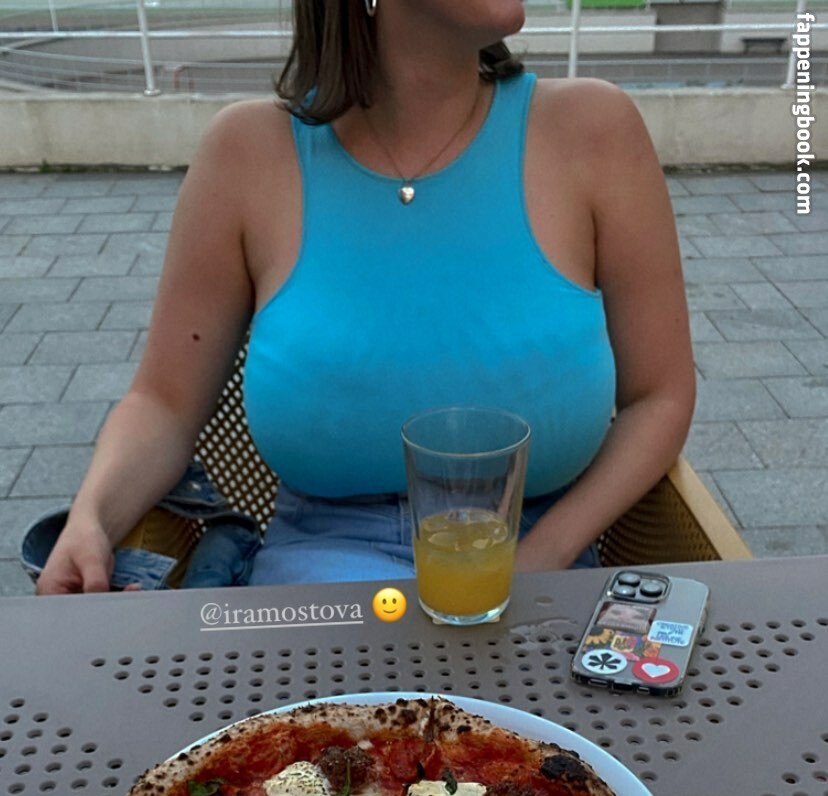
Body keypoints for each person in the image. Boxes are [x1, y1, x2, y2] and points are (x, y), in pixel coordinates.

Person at [37, 0, 695, 596]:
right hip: (317, 590)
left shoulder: (593, 132)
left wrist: (543, 555)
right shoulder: (246, 155)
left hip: (538, 573)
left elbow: (660, 396)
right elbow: (165, 403)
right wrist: (91, 519)